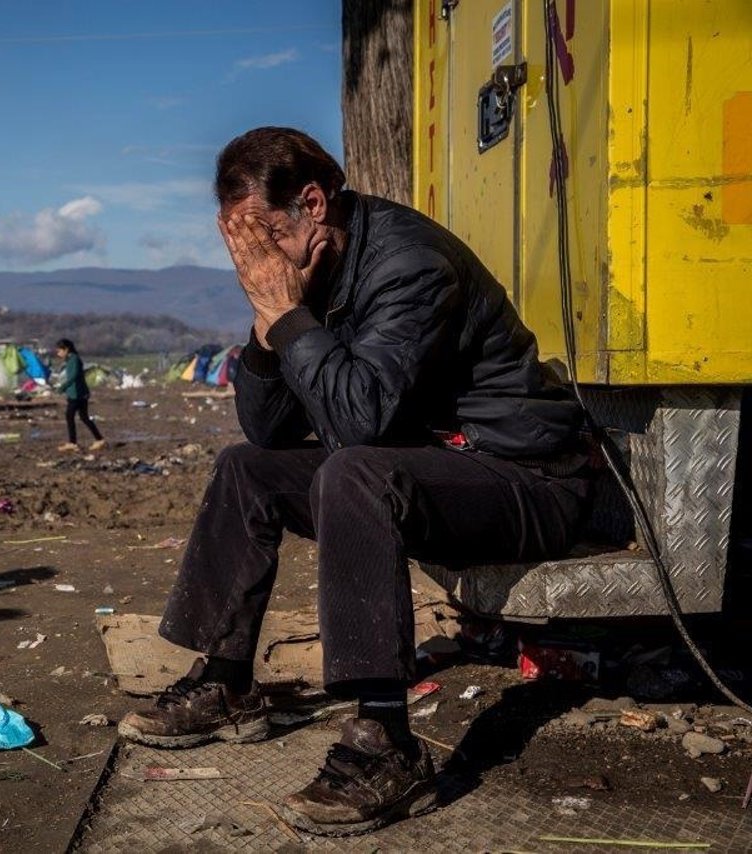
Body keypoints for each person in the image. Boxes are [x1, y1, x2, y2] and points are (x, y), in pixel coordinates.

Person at [116, 127, 591, 836]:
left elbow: (359, 421)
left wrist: (289, 315)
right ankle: (226, 679)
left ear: (313, 202)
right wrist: (267, 319)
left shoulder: (411, 265)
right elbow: (268, 430)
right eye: (244, 248)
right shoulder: (313, 269)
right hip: (437, 463)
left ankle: (386, 744)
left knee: (354, 472)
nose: (259, 261)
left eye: (266, 237)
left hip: (526, 477)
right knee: (246, 468)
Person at [53, 338, 106, 452]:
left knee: (70, 416)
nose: (58, 354)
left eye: (59, 351)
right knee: (83, 417)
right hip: (77, 393)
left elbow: (73, 376)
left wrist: (62, 387)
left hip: (77, 394)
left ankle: (73, 443)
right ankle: (99, 439)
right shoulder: (70, 360)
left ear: (66, 349)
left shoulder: (74, 360)